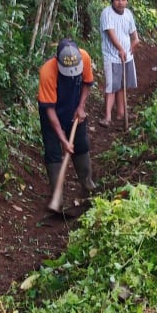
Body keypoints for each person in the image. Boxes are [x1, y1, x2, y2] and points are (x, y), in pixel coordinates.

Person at [38, 38, 97, 211]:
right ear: (57, 62)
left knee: (81, 144)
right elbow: (50, 111)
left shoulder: (84, 57)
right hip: (51, 110)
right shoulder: (47, 72)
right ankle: (58, 198)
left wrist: (81, 107)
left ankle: (87, 184)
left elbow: (87, 83)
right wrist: (63, 140)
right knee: (53, 151)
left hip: (73, 106)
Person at [100, 0, 140, 127]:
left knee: (122, 86)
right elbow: (111, 33)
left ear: (127, 1)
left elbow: (133, 32)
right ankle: (107, 117)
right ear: (112, 0)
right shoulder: (107, 13)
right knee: (112, 86)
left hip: (126, 56)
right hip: (112, 56)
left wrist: (135, 40)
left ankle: (121, 113)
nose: (120, 2)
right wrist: (120, 49)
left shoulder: (128, 14)